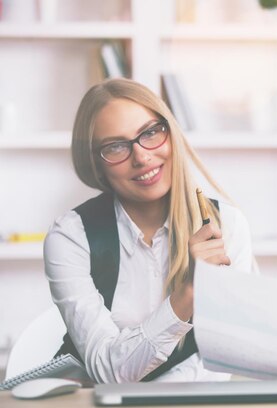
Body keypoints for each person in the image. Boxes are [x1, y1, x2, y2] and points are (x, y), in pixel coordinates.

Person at [44, 78, 255, 383]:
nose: (141, 157)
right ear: (96, 163)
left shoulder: (227, 226)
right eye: (115, 146)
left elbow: (222, 357)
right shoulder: (71, 237)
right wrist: (187, 295)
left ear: (171, 132)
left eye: (151, 132)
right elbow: (108, 371)